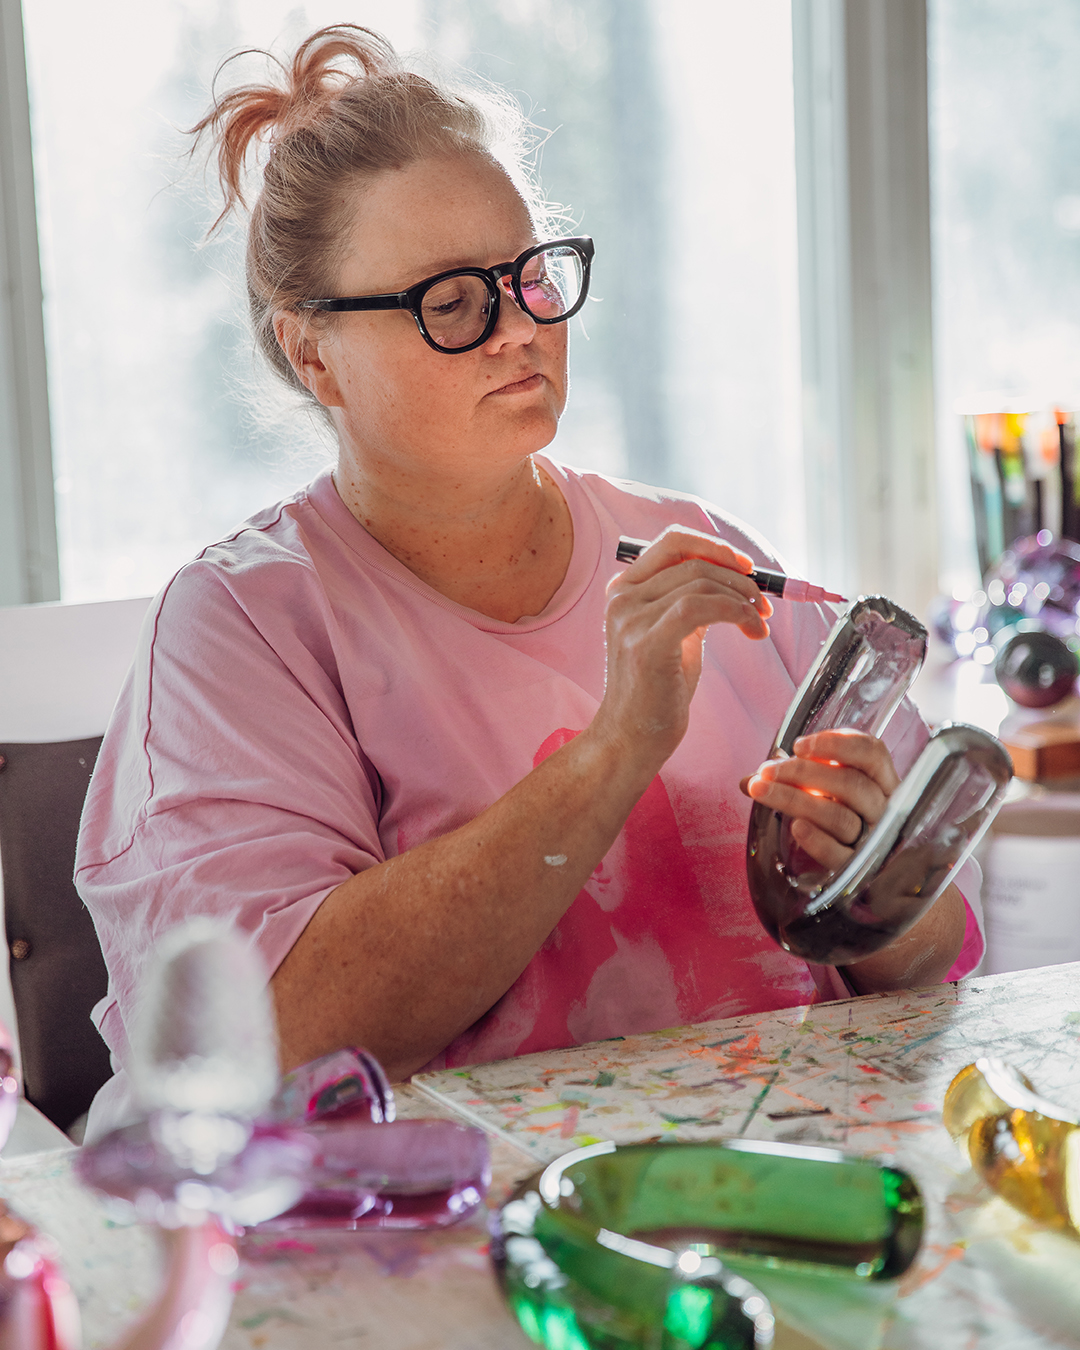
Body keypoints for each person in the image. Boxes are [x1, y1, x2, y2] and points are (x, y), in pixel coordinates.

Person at [75, 25, 981, 1136]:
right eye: (453, 302)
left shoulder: (695, 548)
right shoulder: (244, 627)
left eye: (531, 277)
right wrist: (617, 747)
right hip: (453, 1220)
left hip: (786, 1177)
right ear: (314, 353)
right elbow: (283, 1036)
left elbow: (930, 967)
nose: (519, 329)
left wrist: (874, 893)